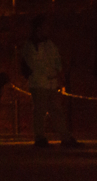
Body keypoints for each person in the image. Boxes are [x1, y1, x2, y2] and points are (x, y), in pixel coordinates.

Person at [20, 15, 82, 148]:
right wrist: (51, 72)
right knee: (40, 111)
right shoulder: (30, 45)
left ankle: (65, 137)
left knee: (56, 110)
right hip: (39, 83)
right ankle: (40, 138)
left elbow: (56, 59)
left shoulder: (49, 44)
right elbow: (33, 64)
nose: (47, 29)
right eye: (45, 27)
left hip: (51, 83)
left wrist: (57, 71)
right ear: (38, 28)